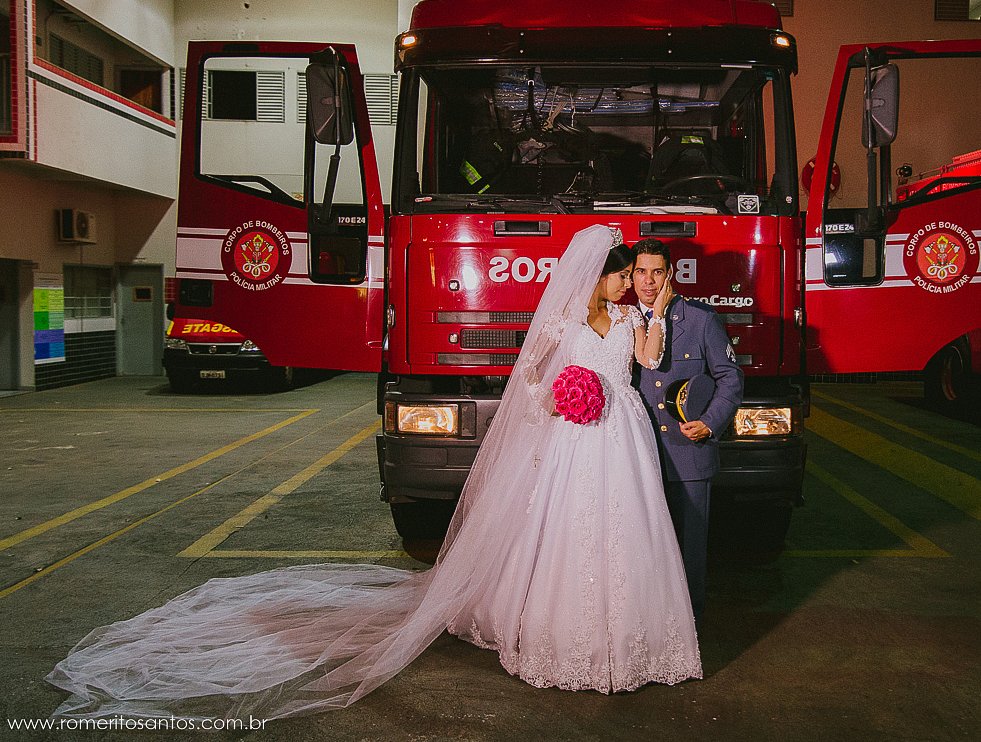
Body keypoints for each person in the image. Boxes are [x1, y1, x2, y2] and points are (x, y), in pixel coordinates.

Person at [47, 225, 701, 723]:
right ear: (597, 276)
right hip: (574, 437)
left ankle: (632, 643)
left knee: (625, 534)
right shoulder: (563, 318)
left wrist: (659, 308)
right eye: (622, 277)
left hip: (621, 434)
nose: (628, 285)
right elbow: (530, 375)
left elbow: (647, 359)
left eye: (636, 278)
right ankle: (570, 640)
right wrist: (558, 394)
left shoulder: (634, 319)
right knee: (571, 537)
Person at [629, 238, 745, 623]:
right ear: (631, 277)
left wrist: (711, 423)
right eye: (641, 272)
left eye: (657, 272)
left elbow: (730, 378)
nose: (648, 281)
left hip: (688, 452)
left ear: (671, 273)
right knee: (641, 545)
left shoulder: (700, 319)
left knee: (689, 545)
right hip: (637, 452)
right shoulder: (622, 323)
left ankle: (688, 622)